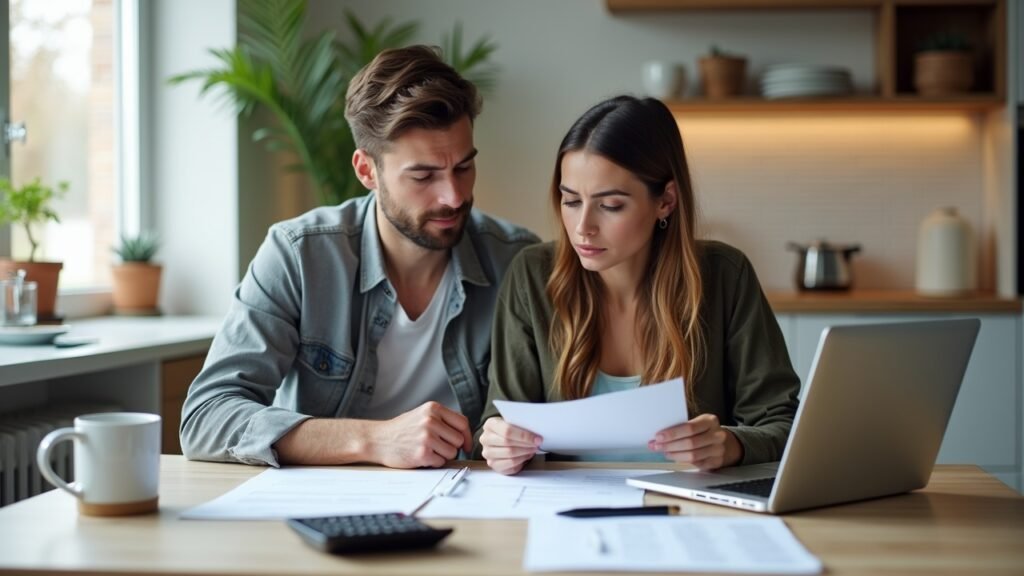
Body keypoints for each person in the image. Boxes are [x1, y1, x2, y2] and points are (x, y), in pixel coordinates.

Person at [181, 46, 539, 469]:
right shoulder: (299, 255)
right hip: (325, 505)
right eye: (423, 176)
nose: (454, 196)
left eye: (463, 167)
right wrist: (374, 439)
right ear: (367, 171)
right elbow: (206, 417)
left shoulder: (517, 261)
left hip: (471, 498)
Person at [476, 95, 800, 475]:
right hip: (564, 510)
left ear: (665, 201)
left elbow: (784, 422)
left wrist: (731, 445)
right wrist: (499, 443)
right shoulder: (532, 275)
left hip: (695, 510)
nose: (583, 227)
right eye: (570, 201)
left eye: (610, 205)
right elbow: (497, 419)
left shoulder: (726, 275)